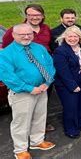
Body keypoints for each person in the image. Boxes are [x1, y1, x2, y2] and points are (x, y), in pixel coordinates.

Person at [0, 24, 56, 158]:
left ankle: (37, 141)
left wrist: (47, 82)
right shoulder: (6, 54)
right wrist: (30, 88)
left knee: (40, 117)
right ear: (13, 35)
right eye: (22, 34)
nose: (26, 37)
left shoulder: (39, 48)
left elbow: (49, 64)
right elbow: (8, 76)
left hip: (42, 89)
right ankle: (20, 150)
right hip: (23, 93)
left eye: (29, 34)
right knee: (21, 122)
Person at [53, 26, 81, 138]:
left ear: (79, 37)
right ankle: (71, 129)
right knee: (71, 106)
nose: (73, 39)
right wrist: (73, 85)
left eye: (75, 36)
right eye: (70, 36)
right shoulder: (60, 51)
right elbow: (62, 71)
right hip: (67, 83)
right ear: (65, 37)